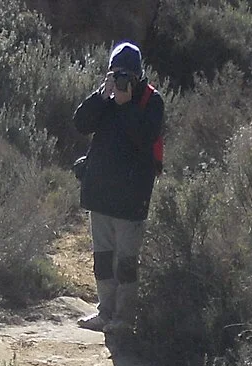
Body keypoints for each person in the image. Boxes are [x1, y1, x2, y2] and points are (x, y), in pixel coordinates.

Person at [72, 42, 165, 337]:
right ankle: (105, 312)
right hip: (101, 194)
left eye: (127, 74)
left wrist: (125, 106)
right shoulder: (107, 98)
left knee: (125, 263)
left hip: (130, 199)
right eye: (116, 73)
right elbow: (80, 123)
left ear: (139, 75)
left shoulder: (151, 101)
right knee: (102, 258)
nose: (122, 79)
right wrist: (101, 98)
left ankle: (123, 318)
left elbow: (144, 137)